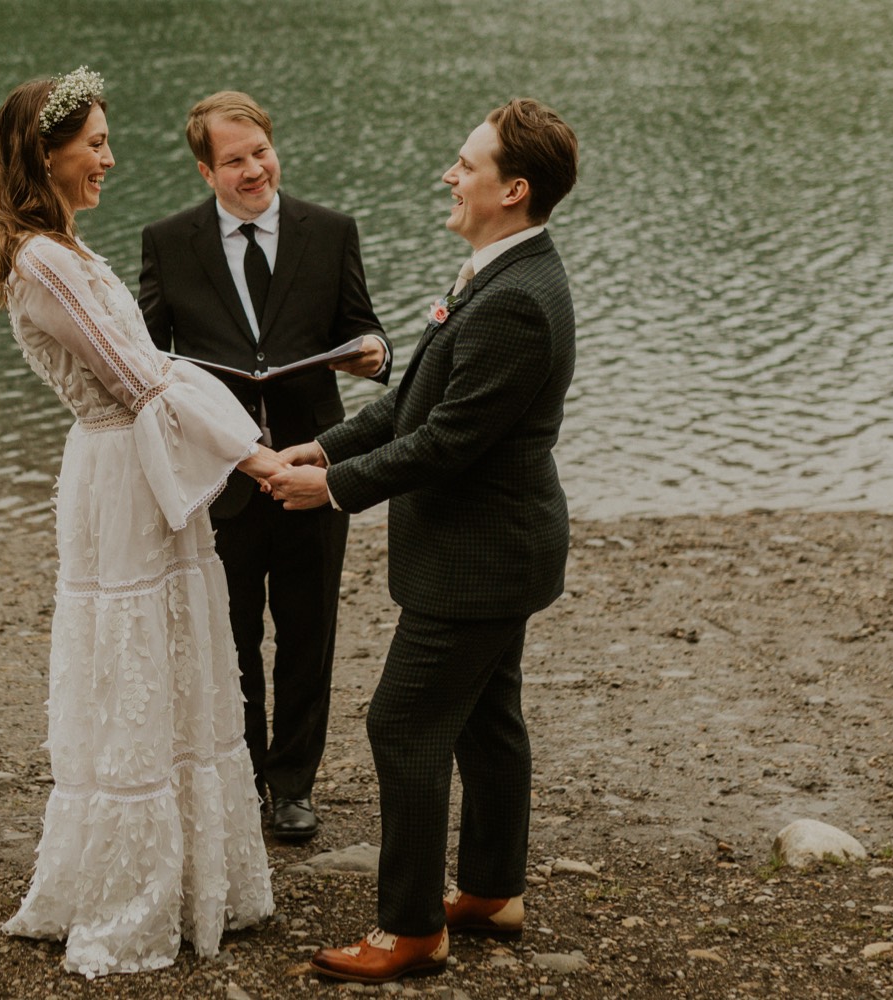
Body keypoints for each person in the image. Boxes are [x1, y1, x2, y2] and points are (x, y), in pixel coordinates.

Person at [267, 98, 580, 984]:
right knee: (487, 717)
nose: (450, 174)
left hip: (480, 559)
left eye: (467, 164)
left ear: (513, 190)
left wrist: (329, 491)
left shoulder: (517, 302)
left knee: (402, 723)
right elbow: (412, 406)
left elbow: (448, 444)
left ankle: (411, 932)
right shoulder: (494, 272)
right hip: (491, 550)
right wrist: (324, 446)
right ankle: (489, 890)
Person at [0, 68, 278, 978]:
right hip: (119, 469)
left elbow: (155, 367)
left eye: (108, 140)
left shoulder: (70, 249)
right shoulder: (42, 261)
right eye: (95, 143)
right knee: (133, 662)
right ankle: (131, 891)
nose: (109, 157)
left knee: (178, 654)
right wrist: (255, 456)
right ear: (46, 152)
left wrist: (239, 436)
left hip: (143, 460)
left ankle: (201, 874)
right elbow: (139, 377)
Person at [138, 92, 389, 843]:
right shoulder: (168, 241)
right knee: (233, 637)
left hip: (314, 468)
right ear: (205, 168)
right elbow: (147, 358)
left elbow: (362, 327)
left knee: (309, 635)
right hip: (223, 480)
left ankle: (293, 786)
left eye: (262, 152)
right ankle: (244, 776)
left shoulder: (331, 231)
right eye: (236, 160)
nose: (255, 170)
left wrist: (374, 353)